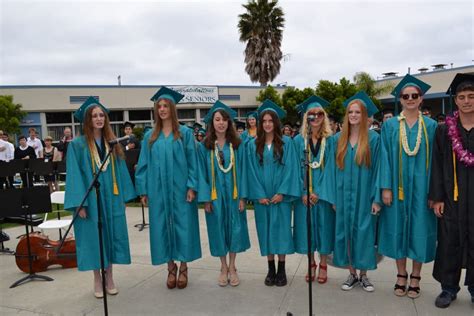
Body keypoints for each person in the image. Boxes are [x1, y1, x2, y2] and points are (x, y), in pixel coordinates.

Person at [64, 97, 136, 298]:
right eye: (94, 116)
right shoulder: (77, 145)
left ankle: (110, 276)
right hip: (91, 199)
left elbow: (120, 171)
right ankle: (97, 278)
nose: (99, 119)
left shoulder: (111, 143)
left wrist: (123, 196)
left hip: (111, 198)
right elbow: (74, 175)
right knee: (94, 238)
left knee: (111, 236)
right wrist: (81, 203)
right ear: (87, 120)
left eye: (101, 115)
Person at [135, 86, 201, 290]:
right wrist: (143, 190)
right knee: (161, 226)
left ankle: (183, 266)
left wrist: (191, 185)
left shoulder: (185, 134)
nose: (162, 109)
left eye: (165, 106)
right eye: (159, 106)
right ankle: (170, 267)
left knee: (183, 225)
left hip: (181, 189)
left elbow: (193, 162)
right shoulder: (150, 136)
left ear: (172, 108)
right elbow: (143, 164)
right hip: (158, 190)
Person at [378, 74, 437, 299]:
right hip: (397, 187)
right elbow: (384, 157)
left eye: (415, 95)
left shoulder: (431, 126)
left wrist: (435, 192)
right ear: (400, 99)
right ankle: (401, 275)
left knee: (420, 230)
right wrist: (385, 187)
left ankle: (416, 277)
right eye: (406, 96)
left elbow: (438, 163)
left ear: (421, 99)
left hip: (423, 189)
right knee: (397, 230)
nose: (410, 99)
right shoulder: (390, 126)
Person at [318, 91, 381, 292]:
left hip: (365, 195)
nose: (353, 115)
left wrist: (376, 199)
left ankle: (364, 275)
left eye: (358, 112)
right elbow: (330, 170)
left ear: (364, 115)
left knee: (364, 233)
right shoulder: (338, 140)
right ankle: (352, 273)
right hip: (343, 195)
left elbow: (380, 169)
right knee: (345, 233)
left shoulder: (373, 139)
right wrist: (334, 197)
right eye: (350, 112)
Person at [242, 100, 300, 287]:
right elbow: (249, 171)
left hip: (279, 198)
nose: (267, 124)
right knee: (265, 231)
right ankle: (270, 269)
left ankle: (282, 269)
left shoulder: (286, 143)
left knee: (282, 232)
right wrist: (258, 194)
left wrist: (283, 192)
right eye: (264, 120)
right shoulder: (252, 145)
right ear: (260, 123)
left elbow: (291, 169)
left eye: (270, 120)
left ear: (276, 123)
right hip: (263, 199)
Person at [429, 73, 474, 308]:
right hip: (452, 196)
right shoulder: (445, 131)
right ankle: (448, 288)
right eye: (462, 97)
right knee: (449, 241)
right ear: (456, 101)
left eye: (471, 96)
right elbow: (436, 164)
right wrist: (436, 198)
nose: (467, 101)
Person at [197, 101, 250, 287]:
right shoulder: (204, 146)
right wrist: (205, 199)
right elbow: (201, 173)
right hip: (214, 195)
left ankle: (233, 266)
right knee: (218, 229)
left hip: (234, 194)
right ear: (212, 123)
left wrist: (243, 197)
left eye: (224, 120)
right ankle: (223, 267)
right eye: (217, 119)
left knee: (235, 229)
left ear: (229, 123)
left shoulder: (237, 144)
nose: (221, 123)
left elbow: (243, 170)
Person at [293, 96, 334, 284]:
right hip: (304, 196)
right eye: (311, 114)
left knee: (324, 228)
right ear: (306, 118)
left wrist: (319, 191)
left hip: (323, 196)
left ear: (324, 117)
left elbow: (333, 169)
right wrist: (304, 192)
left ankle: (323, 264)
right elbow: (293, 169)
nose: (315, 117)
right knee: (307, 229)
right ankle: (311, 263)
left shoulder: (331, 141)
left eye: (319, 114)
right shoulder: (297, 141)